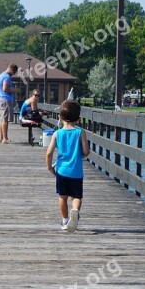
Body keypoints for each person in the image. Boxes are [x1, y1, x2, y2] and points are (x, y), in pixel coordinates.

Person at [45, 100, 90, 233]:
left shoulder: (57, 134)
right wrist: (80, 153)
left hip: (62, 171)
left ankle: (65, 221)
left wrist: (49, 167)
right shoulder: (80, 132)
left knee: (62, 196)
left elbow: (49, 153)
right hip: (76, 171)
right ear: (78, 118)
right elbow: (86, 152)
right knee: (77, 197)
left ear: (60, 117)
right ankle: (75, 211)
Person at [0, 64, 18, 143]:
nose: (13, 74)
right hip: (5, 99)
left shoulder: (1, 75)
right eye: (14, 72)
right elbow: (5, 89)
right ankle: (5, 139)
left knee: (2, 120)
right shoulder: (7, 77)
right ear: (11, 69)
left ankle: (2, 138)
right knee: (5, 120)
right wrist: (14, 90)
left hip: (0, 99)